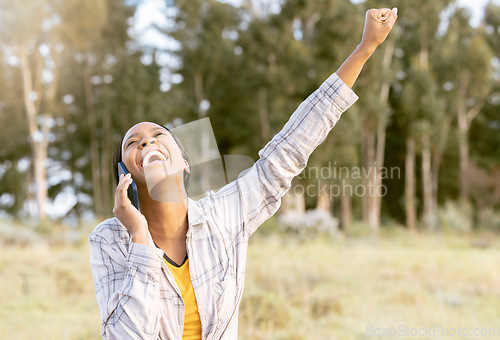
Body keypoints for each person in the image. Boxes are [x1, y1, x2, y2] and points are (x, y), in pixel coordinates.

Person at [89, 7, 398, 340]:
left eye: (159, 136)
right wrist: (139, 235)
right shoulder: (110, 240)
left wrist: (364, 48)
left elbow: (290, 148)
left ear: (184, 162)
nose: (147, 141)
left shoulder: (224, 214)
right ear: (126, 175)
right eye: (133, 143)